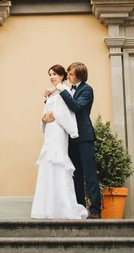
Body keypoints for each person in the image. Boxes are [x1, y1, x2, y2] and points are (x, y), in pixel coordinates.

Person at [45, 62, 102, 219]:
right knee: (75, 174)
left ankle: (96, 210)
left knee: (89, 173)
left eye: (71, 74)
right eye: (68, 73)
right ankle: (79, 208)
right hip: (70, 138)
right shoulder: (68, 89)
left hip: (84, 137)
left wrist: (61, 90)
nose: (67, 76)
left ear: (80, 75)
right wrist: (53, 94)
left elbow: (76, 106)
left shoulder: (87, 90)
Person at [31, 64, 88, 219]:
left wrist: (73, 132)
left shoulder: (65, 92)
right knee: (48, 164)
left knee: (59, 163)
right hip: (49, 132)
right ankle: (47, 208)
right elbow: (44, 113)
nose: (52, 77)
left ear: (62, 76)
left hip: (58, 132)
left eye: (55, 74)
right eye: (50, 74)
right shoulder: (50, 94)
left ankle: (63, 208)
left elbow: (65, 114)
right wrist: (43, 119)